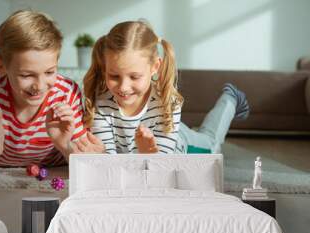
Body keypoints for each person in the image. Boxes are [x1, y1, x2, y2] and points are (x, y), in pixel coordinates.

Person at [0, 10, 103, 175]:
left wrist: (64, 145)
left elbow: (83, 166)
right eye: (26, 75)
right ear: (1, 66)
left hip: (55, 164)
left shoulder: (66, 92)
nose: (39, 85)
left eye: (50, 72)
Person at [81, 21, 249, 154]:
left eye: (135, 76)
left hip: (181, 143)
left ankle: (231, 98)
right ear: (105, 68)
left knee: (211, 144)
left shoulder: (168, 102)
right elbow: (109, 161)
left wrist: (150, 153)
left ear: (154, 67)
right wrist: (102, 154)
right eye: (114, 76)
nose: (123, 87)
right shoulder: (101, 104)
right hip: (165, 127)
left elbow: (162, 165)